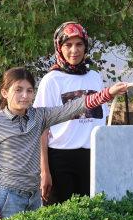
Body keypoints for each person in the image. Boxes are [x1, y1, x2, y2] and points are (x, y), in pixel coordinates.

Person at [0, 66, 129, 220]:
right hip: (8, 198)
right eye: (18, 90)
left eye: (29, 91)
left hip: (34, 197)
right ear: (4, 92)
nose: (25, 95)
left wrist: (108, 93)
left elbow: (72, 108)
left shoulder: (39, 116)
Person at [34, 21, 109, 205]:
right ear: (59, 47)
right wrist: (44, 171)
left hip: (92, 158)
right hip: (60, 160)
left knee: (92, 217)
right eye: (68, 45)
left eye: (79, 44)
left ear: (86, 46)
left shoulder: (94, 78)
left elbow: (103, 121)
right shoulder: (51, 80)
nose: (74, 50)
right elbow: (41, 128)